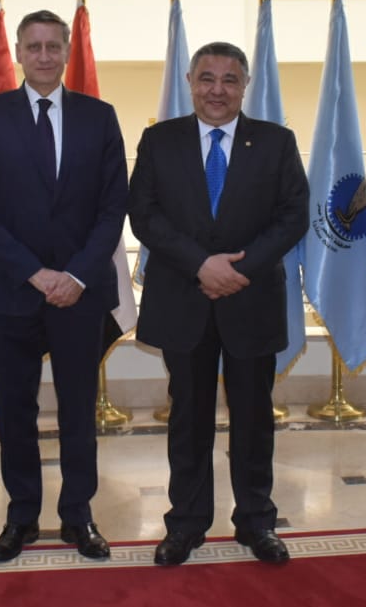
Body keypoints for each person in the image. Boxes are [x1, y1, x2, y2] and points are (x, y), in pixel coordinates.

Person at [128, 40, 309, 566]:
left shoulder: (276, 142)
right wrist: (200, 265)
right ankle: (185, 524)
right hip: (183, 301)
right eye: (207, 78)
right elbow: (144, 213)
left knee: (254, 419)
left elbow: (293, 216)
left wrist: (236, 271)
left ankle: (256, 522)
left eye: (230, 80)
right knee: (188, 419)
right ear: (190, 82)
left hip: (250, 301)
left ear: (245, 85)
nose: (217, 90)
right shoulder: (160, 141)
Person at [0, 9, 128, 563]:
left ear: (67, 51)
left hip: (80, 295)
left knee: (79, 410)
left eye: (54, 46)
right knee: (15, 412)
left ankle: (79, 515)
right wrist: (35, 273)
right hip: (11, 293)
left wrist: (75, 275)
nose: (44, 56)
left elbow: (113, 208)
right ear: (18, 53)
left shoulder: (100, 118)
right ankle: (21, 517)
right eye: (33, 46)